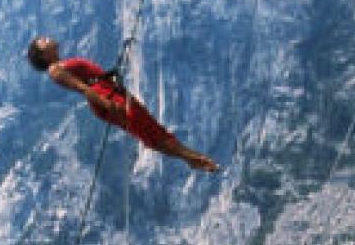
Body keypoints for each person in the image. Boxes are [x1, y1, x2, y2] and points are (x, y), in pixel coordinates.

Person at [26, 36, 219, 172]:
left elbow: (90, 79)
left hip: (110, 91)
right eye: (42, 41)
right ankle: (193, 158)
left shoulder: (61, 64)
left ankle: (190, 158)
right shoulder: (55, 69)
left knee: (148, 127)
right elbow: (83, 88)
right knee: (147, 129)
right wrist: (106, 103)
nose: (47, 39)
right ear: (43, 55)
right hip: (106, 97)